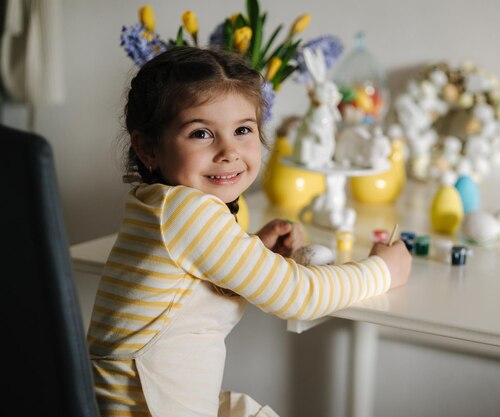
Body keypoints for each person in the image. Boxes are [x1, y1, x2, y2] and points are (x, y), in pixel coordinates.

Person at [87, 46, 412, 417]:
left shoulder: (161, 205)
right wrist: (382, 271)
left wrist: (252, 248)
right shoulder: (186, 211)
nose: (229, 151)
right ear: (148, 149)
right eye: (201, 134)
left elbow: (185, 283)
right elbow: (296, 295)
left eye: (243, 129)